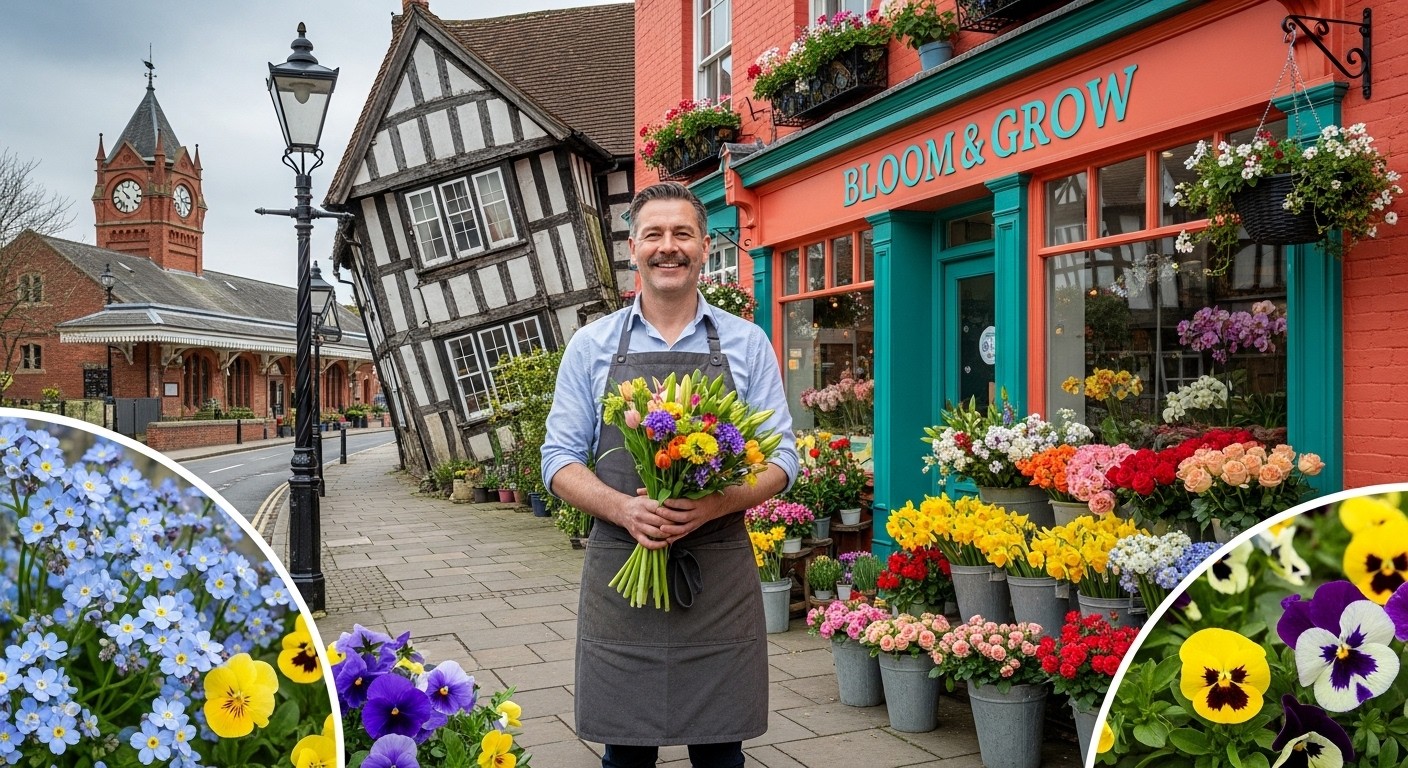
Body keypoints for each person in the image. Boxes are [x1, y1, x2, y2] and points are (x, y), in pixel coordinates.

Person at [541, 181, 798, 768]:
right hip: (622, 572)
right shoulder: (591, 345)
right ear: (632, 247)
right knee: (626, 753)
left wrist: (713, 504)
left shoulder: (746, 342)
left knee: (721, 753)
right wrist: (624, 508)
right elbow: (558, 459)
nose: (668, 246)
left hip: (716, 573)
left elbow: (783, 458)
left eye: (683, 233)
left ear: (706, 247)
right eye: (653, 234)